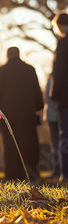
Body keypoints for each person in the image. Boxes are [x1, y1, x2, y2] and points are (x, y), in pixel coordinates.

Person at [0, 47, 44, 181]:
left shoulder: (2, 71)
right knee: (29, 148)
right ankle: (31, 175)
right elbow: (37, 91)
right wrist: (38, 107)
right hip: (27, 116)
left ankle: (12, 175)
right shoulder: (30, 69)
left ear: (8, 55)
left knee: (10, 148)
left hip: (8, 117)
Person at [50, 10, 68, 184]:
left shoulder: (63, 44)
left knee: (65, 136)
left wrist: (53, 94)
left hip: (65, 98)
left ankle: (66, 173)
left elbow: (60, 71)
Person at [43, 74, 60, 179]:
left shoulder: (51, 81)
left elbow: (47, 99)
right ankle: (58, 170)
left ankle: (57, 170)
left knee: (56, 143)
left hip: (54, 115)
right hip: (56, 115)